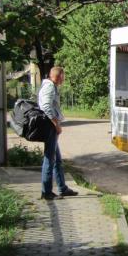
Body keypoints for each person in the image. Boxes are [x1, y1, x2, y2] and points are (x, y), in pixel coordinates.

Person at [38, 66, 78, 200]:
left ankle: (62, 188)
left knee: (57, 160)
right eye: (63, 76)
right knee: (50, 159)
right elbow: (45, 106)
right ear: (59, 75)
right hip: (50, 127)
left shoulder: (51, 86)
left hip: (51, 126)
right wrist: (56, 123)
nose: (64, 79)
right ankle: (47, 192)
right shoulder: (49, 87)